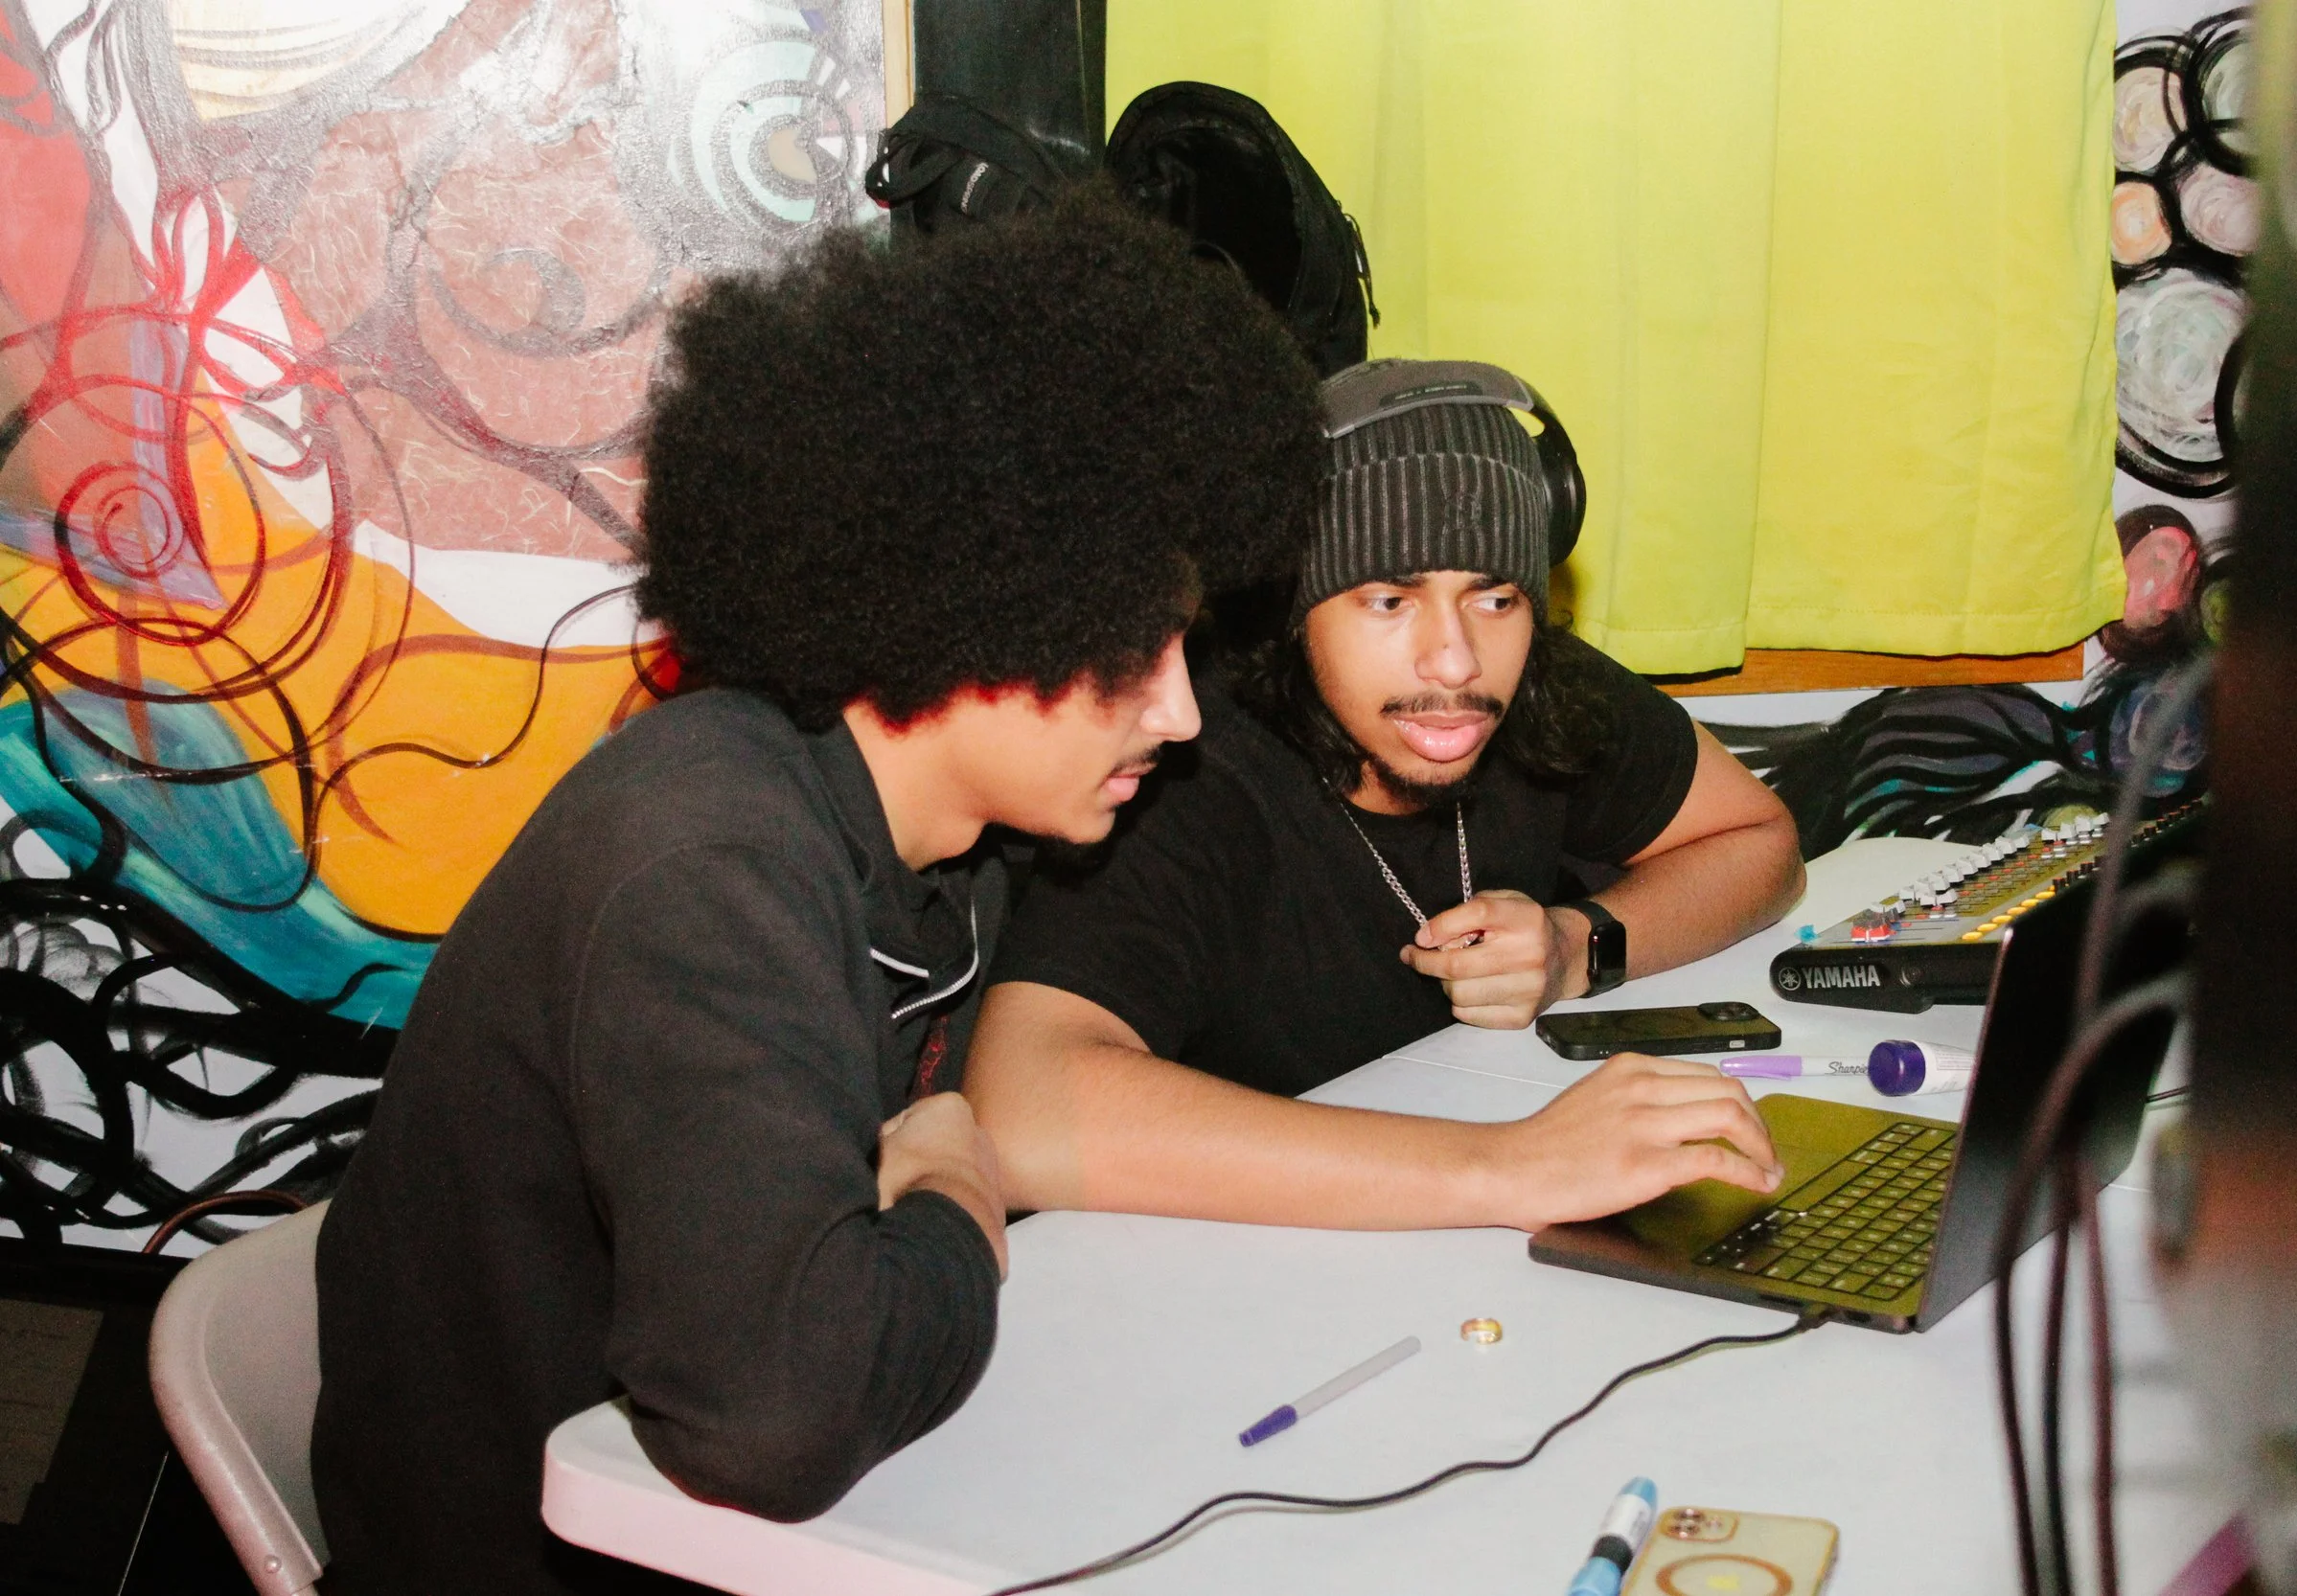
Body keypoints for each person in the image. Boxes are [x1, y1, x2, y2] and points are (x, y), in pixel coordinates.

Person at [308, 193, 1323, 1596]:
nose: (1176, 712)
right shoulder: (708, 860)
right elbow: (773, 1419)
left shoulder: (947, 842)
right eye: (1127, 649)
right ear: (987, 604)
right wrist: (959, 1198)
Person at [968, 358, 1808, 1234]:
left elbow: (1759, 841)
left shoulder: (1530, 691)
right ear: (1298, 612)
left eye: (1494, 597)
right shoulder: (1187, 769)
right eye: (1387, 600)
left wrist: (1575, 945)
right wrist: (1506, 1169)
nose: (1455, 661)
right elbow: (1018, 1109)